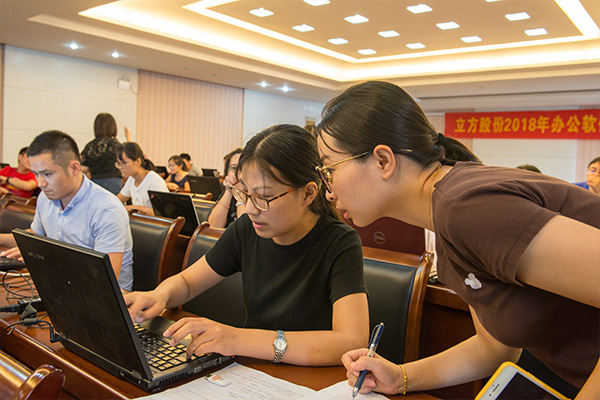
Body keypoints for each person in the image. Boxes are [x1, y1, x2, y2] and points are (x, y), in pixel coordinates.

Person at [313, 81, 599, 398]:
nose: (329, 190)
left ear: (383, 161)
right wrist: (401, 377)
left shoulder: (469, 210)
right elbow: (494, 347)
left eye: (329, 169)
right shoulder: (448, 224)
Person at [125, 124, 369, 366]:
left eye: (263, 197)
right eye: (244, 194)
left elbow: (350, 341)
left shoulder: (339, 242)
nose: (251, 209)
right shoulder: (247, 230)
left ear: (307, 194)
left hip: (308, 375)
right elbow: (188, 282)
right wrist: (159, 295)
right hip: (251, 368)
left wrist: (238, 339)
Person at [0, 130, 134, 291]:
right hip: (60, 282)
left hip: (101, 294)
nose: (40, 183)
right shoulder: (46, 198)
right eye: (36, 174)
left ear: (74, 168)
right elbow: (35, 235)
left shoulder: (106, 209)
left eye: (47, 174)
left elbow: (105, 279)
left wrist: (47, 257)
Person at [81, 113, 129, 195]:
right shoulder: (115, 144)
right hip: (113, 182)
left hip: (95, 182)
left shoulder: (90, 146)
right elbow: (128, 158)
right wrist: (128, 138)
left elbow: (83, 167)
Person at [116, 142, 169, 215]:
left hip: (152, 222)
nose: (120, 167)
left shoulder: (154, 181)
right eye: (118, 164)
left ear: (138, 161)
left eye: (124, 163)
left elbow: (162, 213)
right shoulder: (132, 179)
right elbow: (118, 200)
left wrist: (135, 207)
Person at [207, 147, 245, 228]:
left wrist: (239, 192)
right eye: (234, 168)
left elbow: (244, 228)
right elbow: (213, 226)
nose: (237, 172)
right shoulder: (228, 191)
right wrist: (228, 191)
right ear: (227, 172)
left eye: (242, 167)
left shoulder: (256, 195)